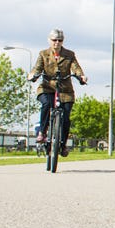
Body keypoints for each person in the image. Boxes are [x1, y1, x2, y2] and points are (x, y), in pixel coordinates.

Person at [29, 28, 87, 157]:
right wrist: (33, 75)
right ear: (49, 40)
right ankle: (42, 133)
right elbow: (37, 68)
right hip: (47, 88)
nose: (57, 43)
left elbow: (76, 68)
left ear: (62, 41)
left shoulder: (69, 55)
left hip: (65, 90)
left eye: (59, 40)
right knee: (46, 104)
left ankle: (63, 144)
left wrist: (81, 76)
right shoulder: (43, 54)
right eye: (54, 40)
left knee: (65, 118)